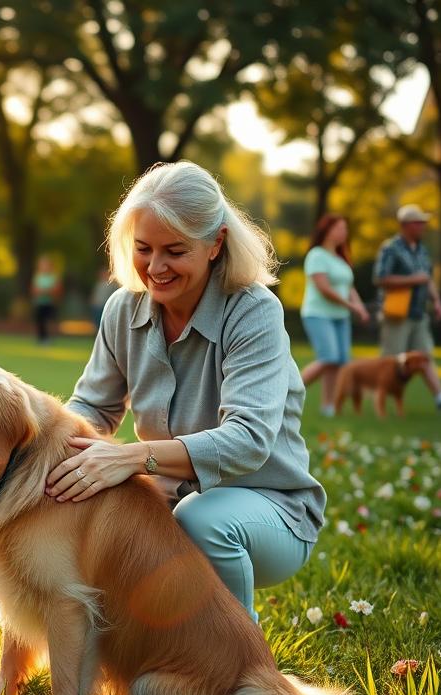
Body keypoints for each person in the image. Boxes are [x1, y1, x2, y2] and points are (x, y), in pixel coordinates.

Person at [44, 160, 324, 623]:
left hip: (271, 510)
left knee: (200, 518)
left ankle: (237, 654)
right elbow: (92, 407)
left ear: (216, 244)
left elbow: (249, 440)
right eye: (143, 249)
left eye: (174, 251)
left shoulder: (253, 311)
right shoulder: (122, 310)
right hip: (165, 505)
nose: (155, 268)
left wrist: (134, 458)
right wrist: (44, 451)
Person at [373, 204, 441, 411]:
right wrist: (413, 279)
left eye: (423, 222)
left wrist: (437, 301)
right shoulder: (391, 248)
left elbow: (427, 279)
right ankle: (381, 403)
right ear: (405, 225)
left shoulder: (422, 250)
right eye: (418, 222)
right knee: (390, 362)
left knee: (425, 357)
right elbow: (380, 278)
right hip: (396, 315)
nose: (423, 226)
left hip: (418, 314)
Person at [299, 214, 370, 416]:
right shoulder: (316, 255)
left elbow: (349, 287)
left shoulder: (341, 257)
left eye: (345, 229)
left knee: (339, 362)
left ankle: (328, 406)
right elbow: (324, 288)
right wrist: (352, 306)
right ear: (327, 230)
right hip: (318, 314)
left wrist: (360, 306)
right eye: (340, 228)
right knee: (328, 357)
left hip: (340, 316)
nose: (344, 232)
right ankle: (288, 390)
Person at [31, 255, 62, 344]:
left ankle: (50, 337)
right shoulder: (37, 277)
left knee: (49, 321)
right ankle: (41, 338)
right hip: (39, 303)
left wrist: (48, 291)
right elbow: (34, 289)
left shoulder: (54, 277)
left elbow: (57, 289)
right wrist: (40, 292)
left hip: (50, 303)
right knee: (40, 321)